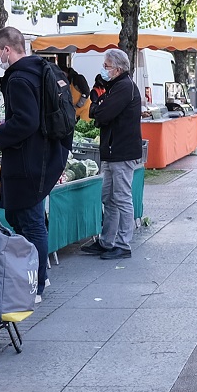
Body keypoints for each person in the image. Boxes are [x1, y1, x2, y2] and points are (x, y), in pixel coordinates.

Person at [0, 27, 69, 301]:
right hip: (41, 157)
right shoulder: (39, 70)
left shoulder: (19, 79)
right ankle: (34, 275)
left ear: (7, 50)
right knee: (24, 218)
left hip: (28, 162)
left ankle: (36, 283)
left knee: (30, 222)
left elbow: (27, 121)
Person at [81, 49, 143, 260]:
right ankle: (107, 241)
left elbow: (102, 114)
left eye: (106, 66)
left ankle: (123, 244)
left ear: (117, 69)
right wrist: (98, 105)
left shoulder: (124, 88)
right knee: (108, 197)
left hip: (121, 151)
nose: (103, 69)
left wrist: (98, 105)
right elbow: (94, 112)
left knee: (122, 198)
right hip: (111, 150)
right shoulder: (115, 86)